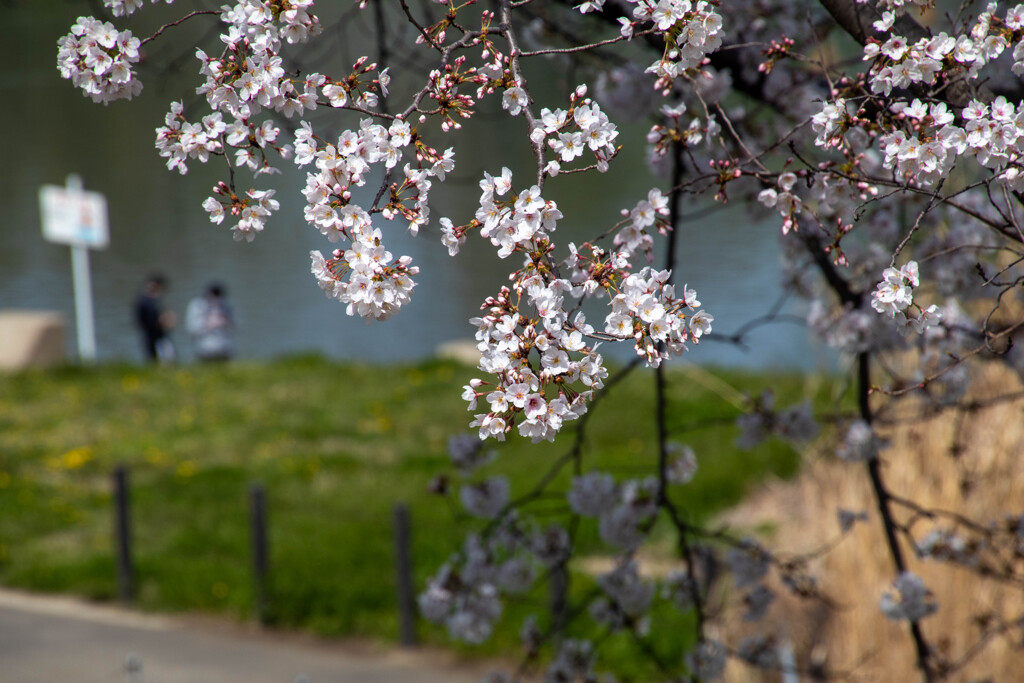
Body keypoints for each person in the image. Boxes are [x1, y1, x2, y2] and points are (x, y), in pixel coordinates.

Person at [185, 282, 235, 362]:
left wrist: (225, 322)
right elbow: (192, 328)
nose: (215, 300)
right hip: (204, 348)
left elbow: (233, 328)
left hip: (223, 348)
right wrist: (207, 324)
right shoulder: (197, 306)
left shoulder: (226, 306)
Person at [134, 273, 177, 363]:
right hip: (151, 334)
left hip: (160, 334)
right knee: (154, 357)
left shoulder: (155, 300)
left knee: (168, 356)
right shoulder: (144, 301)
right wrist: (162, 321)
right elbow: (144, 320)